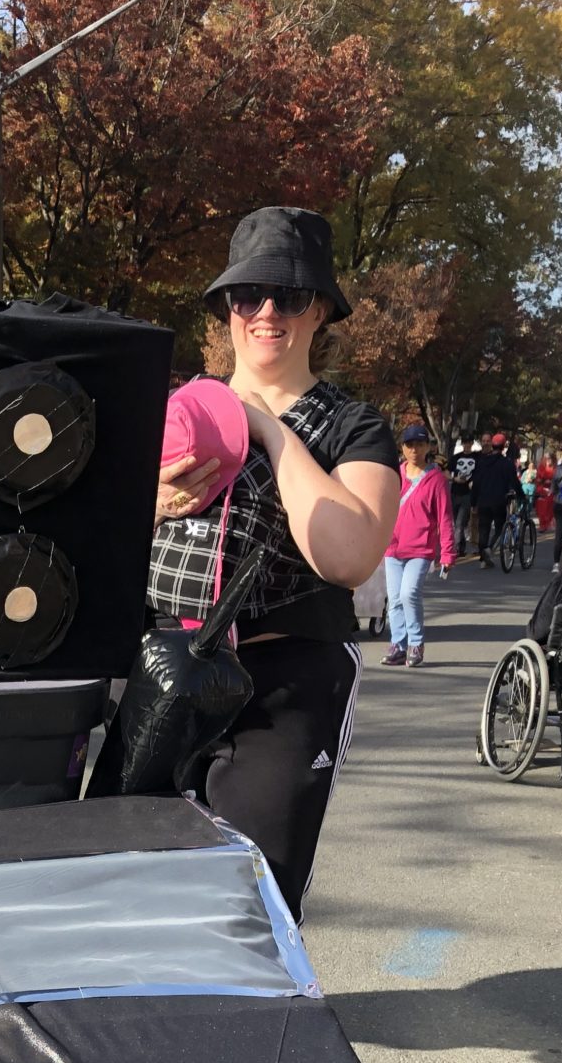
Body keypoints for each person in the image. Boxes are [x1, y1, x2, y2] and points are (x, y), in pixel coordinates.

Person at [148, 206, 399, 919]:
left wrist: (266, 428)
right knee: (129, 870)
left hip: (285, 681)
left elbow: (347, 554)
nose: (265, 312)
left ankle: (249, 1026)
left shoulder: (353, 426)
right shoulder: (175, 413)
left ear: (319, 310)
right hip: (163, 670)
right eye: (246, 296)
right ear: (226, 308)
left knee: (252, 898)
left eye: (288, 296)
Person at [381, 422, 455, 667]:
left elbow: (445, 518)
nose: (414, 449)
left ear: (427, 447)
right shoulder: (395, 473)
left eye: (420, 444)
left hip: (420, 549)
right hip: (393, 547)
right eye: (409, 444)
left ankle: (416, 643)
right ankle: (398, 645)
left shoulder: (436, 480)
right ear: (402, 447)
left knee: (409, 593)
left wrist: (447, 554)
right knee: (395, 598)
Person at [470, 432, 522, 567]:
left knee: (484, 529)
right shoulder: (507, 464)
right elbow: (515, 482)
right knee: (500, 528)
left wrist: (473, 502)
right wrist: (522, 496)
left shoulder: (482, 462)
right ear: (504, 446)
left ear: (492, 445)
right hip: (499, 501)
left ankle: (483, 558)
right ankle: (490, 548)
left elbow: (476, 483)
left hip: (483, 500)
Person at [448, 436, 478, 556]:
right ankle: (461, 548)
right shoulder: (456, 457)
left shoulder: (477, 458)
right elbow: (445, 471)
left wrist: (473, 481)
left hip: (467, 493)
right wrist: (454, 478)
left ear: (472, 443)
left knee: (460, 522)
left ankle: (456, 548)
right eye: (465, 443)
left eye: (469, 442)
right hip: (455, 491)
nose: (467, 445)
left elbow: (480, 472)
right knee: (455, 522)